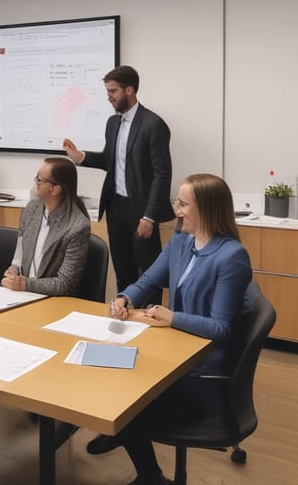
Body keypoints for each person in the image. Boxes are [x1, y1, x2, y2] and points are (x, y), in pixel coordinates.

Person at [86, 173, 252, 485]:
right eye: (177, 201)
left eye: (183, 204)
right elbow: (148, 280)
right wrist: (124, 297)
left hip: (201, 369)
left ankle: (147, 471)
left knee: (122, 396)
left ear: (206, 209)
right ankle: (127, 440)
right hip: (174, 351)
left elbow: (221, 329)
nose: (176, 209)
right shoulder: (180, 242)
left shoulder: (231, 256)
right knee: (104, 369)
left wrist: (171, 317)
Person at [63, 65, 174, 301]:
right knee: (123, 271)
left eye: (113, 91)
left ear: (130, 90)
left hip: (142, 212)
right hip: (116, 208)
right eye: (107, 91)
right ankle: (124, 317)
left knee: (148, 274)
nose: (109, 96)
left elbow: (162, 175)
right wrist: (81, 158)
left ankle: (149, 324)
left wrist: (149, 217)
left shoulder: (153, 124)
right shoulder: (113, 123)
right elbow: (110, 160)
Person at [0, 157, 90, 294]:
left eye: (39, 180)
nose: (35, 183)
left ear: (55, 189)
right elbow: (19, 257)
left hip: (53, 300)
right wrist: (14, 269)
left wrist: (24, 284)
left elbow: (65, 283)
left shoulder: (77, 226)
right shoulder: (32, 208)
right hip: (23, 295)